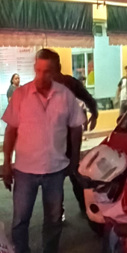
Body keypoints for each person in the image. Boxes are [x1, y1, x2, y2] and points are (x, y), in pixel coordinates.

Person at [2, 51, 85, 253]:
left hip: (55, 169)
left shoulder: (66, 96)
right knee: (20, 219)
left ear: (56, 71)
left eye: (47, 71)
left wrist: (74, 160)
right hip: (24, 170)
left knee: (54, 219)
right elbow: (10, 131)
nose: (41, 76)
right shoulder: (21, 95)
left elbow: (76, 128)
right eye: (38, 70)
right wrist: (6, 164)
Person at [44, 48, 99, 214]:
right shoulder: (44, 86)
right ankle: (58, 211)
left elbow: (88, 98)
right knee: (56, 178)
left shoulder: (69, 83)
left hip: (69, 137)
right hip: (52, 140)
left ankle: (84, 208)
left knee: (74, 173)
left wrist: (94, 114)